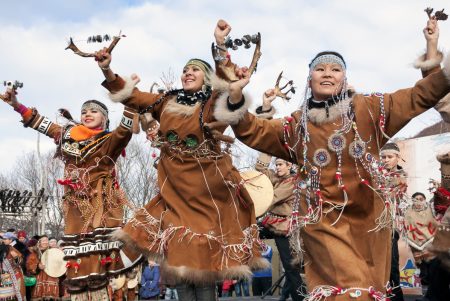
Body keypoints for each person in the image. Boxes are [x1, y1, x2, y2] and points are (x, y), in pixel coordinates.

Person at [212, 18, 450, 299]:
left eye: (336, 69)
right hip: (322, 225)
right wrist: (234, 87)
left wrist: (436, 54)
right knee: (348, 292)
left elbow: (420, 96)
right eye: (320, 68)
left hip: (369, 224)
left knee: (368, 290)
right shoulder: (295, 127)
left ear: (344, 78)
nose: (328, 73)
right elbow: (252, 130)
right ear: (309, 78)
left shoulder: (372, 109)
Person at [93, 20, 267, 301]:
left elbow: (227, 85)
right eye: (185, 70)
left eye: (195, 69)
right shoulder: (165, 100)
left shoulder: (212, 102)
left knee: (204, 270)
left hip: (207, 193)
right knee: (180, 269)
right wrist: (107, 69)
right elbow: (133, 96)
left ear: (206, 77)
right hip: (173, 192)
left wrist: (220, 45)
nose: (188, 73)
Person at [1, 84, 143, 299]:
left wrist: (129, 98)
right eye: (84, 111)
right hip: (75, 205)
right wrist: (16, 105)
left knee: (99, 262)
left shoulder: (109, 140)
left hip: (101, 204)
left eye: (94, 111)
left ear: (104, 118)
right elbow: (42, 124)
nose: (87, 114)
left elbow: (125, 130)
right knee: (78, 266)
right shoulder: (68, 135)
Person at [255, 138, 305, 300]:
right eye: (276, 165)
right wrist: (268, 150)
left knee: (291, 266)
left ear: (289, 165)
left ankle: (299, 298)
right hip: (273, 225)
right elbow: (259, 169)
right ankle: (286, 296)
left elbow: (274, 198)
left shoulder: (292, 181)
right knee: (291, 266)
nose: (277, 167)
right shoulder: (275, 178)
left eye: (280, 164)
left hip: (286, 228)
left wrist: (257, 202)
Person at [380, 142, 406, 301]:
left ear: (398, 158)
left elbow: (393, 194)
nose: (386, 160)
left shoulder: (402, 176)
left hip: (390, 226)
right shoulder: (377, 174)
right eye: (383, 157)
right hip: (375, 225)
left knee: (392, 264)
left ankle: (396, 297)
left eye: (389, 157)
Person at [0, 233, 25, 301]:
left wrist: (16, 258)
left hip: (11, 277)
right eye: (3, 239)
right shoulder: (1, 247)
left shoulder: (12, 249)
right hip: (2, 275)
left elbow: (20, 261)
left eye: (5, 239)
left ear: (10, 240)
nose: (3, 240)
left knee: (10, 296)